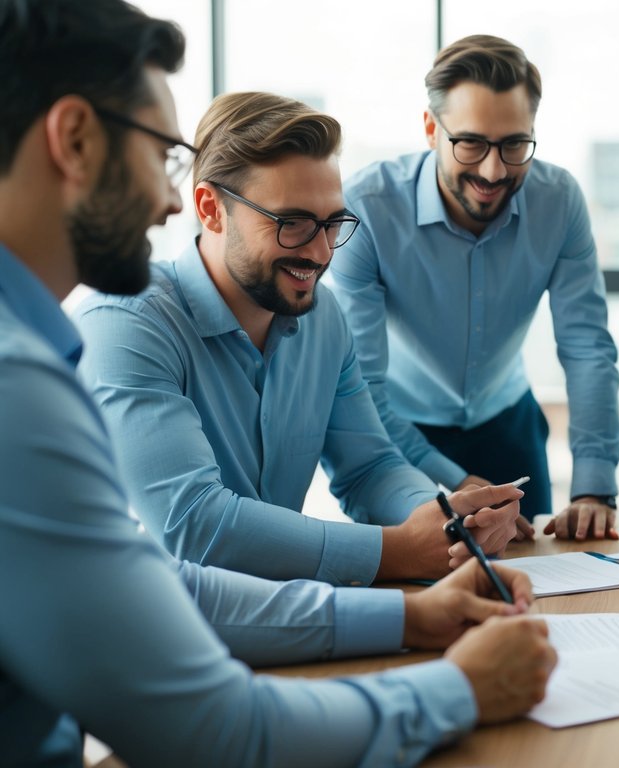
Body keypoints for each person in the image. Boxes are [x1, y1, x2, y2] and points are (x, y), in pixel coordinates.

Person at [0, 1, 555, 765]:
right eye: (161, 154)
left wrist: (420, 586)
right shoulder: (38, 369)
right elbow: (212, 703)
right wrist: (450, 676)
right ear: (74, 139)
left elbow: (171, 580)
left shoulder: (316, 317)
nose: (166, 198)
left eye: (333, 225)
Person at [75, 91, 523, 586]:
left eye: (333, 223)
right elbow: (193, 526)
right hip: (151, 630)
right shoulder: (126, 323)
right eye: (293, 224)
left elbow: (370, 467)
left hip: (284, 618)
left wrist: (444, 522)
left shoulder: (323, 316)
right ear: (210, 208)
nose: (320, 251)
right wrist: (394, 551)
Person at [330, 35, 619, 540]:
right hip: (399, 435)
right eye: (471, 143)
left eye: (514, 144)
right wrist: (459, 482)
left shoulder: (559, 201)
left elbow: (587, 348)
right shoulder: (367, 208)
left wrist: (594, 487)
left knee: (541, 584)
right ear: (430, 129)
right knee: (423, 589)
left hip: (509, 422)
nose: (493, 170)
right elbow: (361, 385)